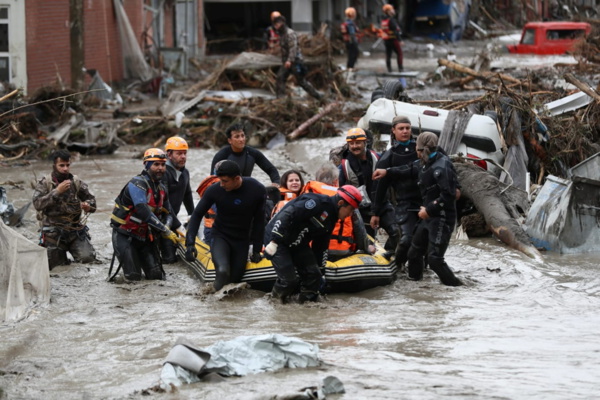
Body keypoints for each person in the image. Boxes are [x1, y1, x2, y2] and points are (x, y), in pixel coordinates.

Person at [264, 185, 362, 303]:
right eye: (350, 209)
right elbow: (287, 215)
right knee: (289, 280)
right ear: (341, 203)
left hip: (298, 242)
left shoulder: (332, 218)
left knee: (314, 276)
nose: (350, 215)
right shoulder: (316, 203)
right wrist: (274, 241)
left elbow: (321, 245)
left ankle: (305, 306)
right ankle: (274, 303)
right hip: (278, 237)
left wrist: (321, 271)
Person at [185, 161, 266, 291]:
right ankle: (210, 302)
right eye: (220, 180)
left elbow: (259, 221)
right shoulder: (215, 190)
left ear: (237, 178)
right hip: (220, 236)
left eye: (225, 181)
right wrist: (190, 244)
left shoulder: (257, 189)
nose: (221, 184)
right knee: (223, 271)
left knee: (235, 280)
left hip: (241, 240)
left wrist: (257, 249)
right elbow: (197, 214)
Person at [110, 148, 179, 281]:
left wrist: (167, 228)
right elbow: (143, 211)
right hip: (125, 236)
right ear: (146, 165)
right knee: (133, 278)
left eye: (163, 165)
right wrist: (164, 230)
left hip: (146, 238)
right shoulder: (137, 184)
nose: (160, 168)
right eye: (156, 164)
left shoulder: (162, 188)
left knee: (157, 277)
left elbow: (169, 213)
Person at [404, 132, 462, 286]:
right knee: (414, 253)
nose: (416, 153)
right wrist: (387, 171)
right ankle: (415, 286)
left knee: (434, 259)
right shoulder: (426, 162)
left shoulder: (442, 166)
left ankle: (457, 287)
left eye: (417, 149)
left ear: (424, 150)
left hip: (442, 217)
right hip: (428, 216)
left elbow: (449, 195)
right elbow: (408, 168)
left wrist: (429, 210)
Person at [32, 149, 97, 269]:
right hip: (53, 233)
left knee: (88, 260)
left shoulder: (76, 182)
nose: (65, 168)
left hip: (74, 231)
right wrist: (56, 192)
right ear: (54, 166)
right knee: (55, 268)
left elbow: (93, 202)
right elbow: (37, 204)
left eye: (68, 165)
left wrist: (88, 206)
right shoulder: (45, 183)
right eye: (61, 165)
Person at [339, 128, 400, 253]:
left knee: (397, 232)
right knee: (368, 244)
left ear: (365, 142)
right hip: (361, 211)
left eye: (358, 143)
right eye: (352, 144)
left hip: (382, 205)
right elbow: (339, 192)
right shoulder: (343, 166)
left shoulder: (378, 158)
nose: (355, 146)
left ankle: (389, 255)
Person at [372, 115, 421, 267]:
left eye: (407, 128)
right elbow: (380, 188)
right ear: (393, 131)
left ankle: (419, 274)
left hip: (425, 201)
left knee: (424, 243)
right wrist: (376, 212)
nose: (405, 131)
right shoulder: (388, 156)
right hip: (404, 203)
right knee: (406, 239)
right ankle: (397, 266)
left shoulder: (420, 150)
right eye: (401, 128)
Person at [304, 163, 373, 259]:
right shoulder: (347, 199)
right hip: (340, 250)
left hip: (312, 249)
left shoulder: (308, 197)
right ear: (336, 181)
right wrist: (366, 248)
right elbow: (359, 228)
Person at [210, 122, 280, 186]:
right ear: (230, 140)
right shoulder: (221, 155)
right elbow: (213, 178)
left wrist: (276, 183)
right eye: (237, 137)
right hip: (227, 190)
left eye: (242, 136)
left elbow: (271, 170)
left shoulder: (253, 153)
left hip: (246, 189)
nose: (241, 139)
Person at [272, 15, 323, 101]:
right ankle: (280, 99)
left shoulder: (290, 33)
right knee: (280, 77)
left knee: (301, 82)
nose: (275, 27)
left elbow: (293, 48)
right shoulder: (282, 34)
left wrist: (289, 60)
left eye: (276, 24)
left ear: (281, 23)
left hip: (295, 61)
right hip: (286, 62)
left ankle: (318, 96)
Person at [160, 136, 194, 263]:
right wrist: (179, 225)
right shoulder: (163, 173)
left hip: (172, 219)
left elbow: (187, 195)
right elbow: (165, 203)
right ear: (169, 154)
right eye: (179, 153)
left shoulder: (185, 173)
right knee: (169, 259)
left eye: (185, 153)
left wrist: (193, 215)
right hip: (160, 221)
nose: (183, 157)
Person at [381, 4, 404, 72]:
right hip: (393, 39)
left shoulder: (383, 20)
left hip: (386, 40)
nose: (393, 11)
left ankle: (389, 69)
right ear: (388, 11)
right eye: (392, 9)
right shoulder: (391, 20)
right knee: (399, 53)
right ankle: (400, 69)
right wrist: (400, 40)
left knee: (388, 54)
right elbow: (395, 31)